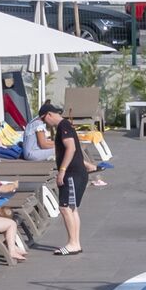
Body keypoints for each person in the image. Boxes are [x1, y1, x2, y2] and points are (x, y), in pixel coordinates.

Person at [46, 108, 93, 256]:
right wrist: (88, 165)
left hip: (72, 174)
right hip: (76, 173)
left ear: (49, 115)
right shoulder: (65, 125)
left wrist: (62, 171)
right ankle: (75, 243)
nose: (44, 123)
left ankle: (73, 243)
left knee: (65, 208)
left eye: (43, 119)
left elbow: (71, 149)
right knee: (71, 208)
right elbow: (76, 150)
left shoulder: (63, 126)